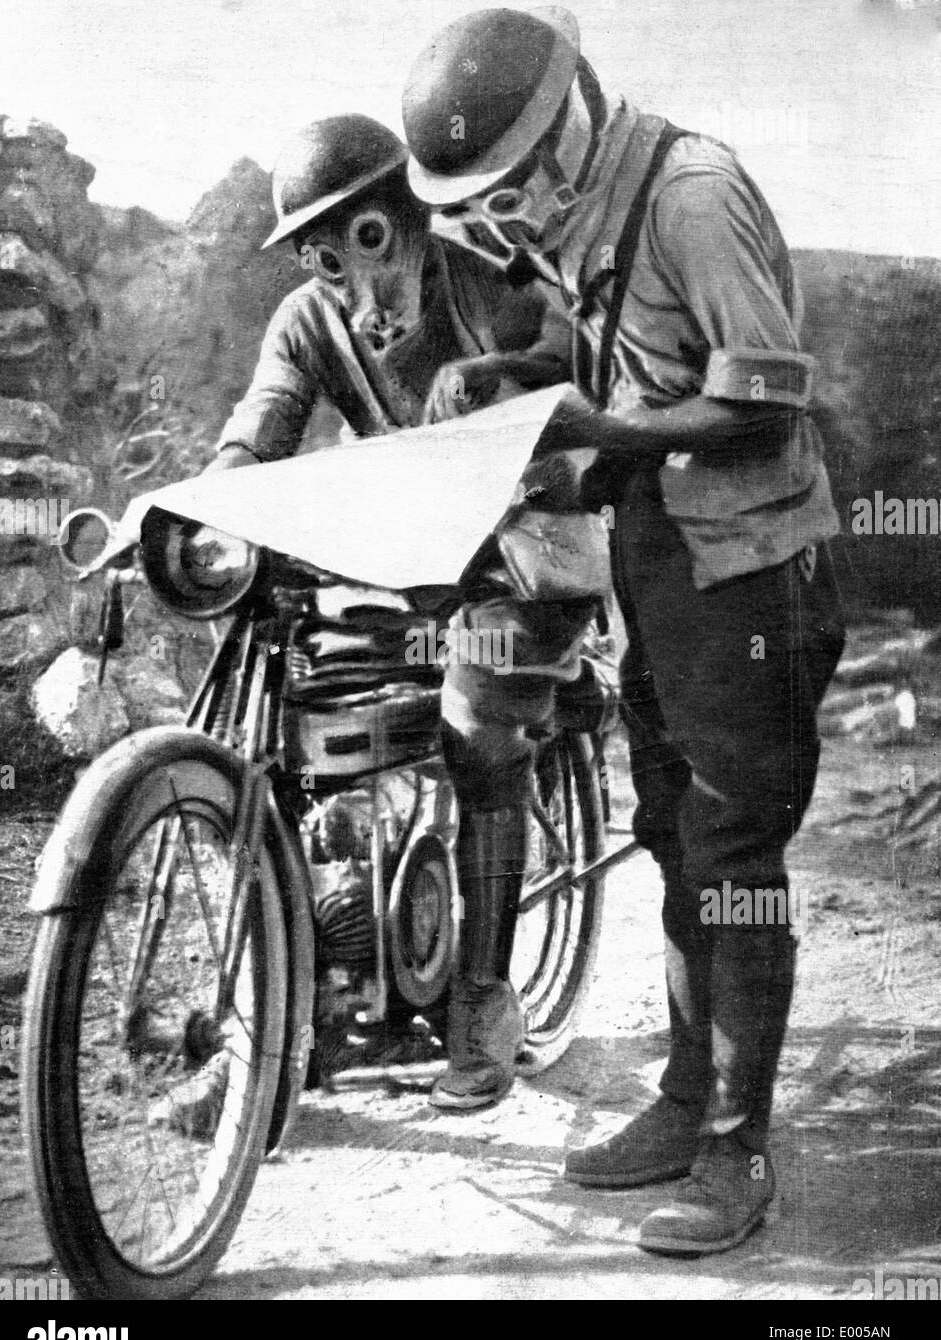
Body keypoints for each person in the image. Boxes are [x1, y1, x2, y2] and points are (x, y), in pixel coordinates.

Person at [402, 5, 845, 1251]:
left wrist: (593, 436)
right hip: (660, 560)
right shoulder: (580, 196)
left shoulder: (690, 194)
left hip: (752, 578)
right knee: (669, 831)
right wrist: (517, 381)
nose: (514, 210)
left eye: (517, 181)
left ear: (571, 118)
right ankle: (684, 1099)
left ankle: (735, 1150)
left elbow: (760, 401)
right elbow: (589, 340)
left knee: (736, 860)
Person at [207, 113, 616, 1112]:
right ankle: (267, 1020)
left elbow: (588, 363)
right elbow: (261, 424)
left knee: (476, 727)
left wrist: (498, 381)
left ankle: (481, 1003)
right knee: (259, 718)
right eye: (319, 255)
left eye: (363, 242)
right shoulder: (308, 320)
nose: (347, 278)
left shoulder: (489, 274)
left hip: (523, 551)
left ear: (403, 217)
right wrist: (221, 496)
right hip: (409, 563)